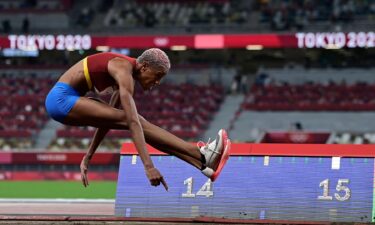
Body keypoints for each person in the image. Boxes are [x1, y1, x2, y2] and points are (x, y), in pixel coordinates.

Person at [45, 48, 231, 191]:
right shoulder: (122, 69)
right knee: (136, 120)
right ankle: (200, 154)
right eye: (157, 76)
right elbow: (132, 122)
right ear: (144, 67)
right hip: (60, 100)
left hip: (66, 100)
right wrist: (148, 167)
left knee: (134, 120)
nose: (157, 82)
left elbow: (107, 121)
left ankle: (202, 164)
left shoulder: (121, 77)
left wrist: (88, 156)